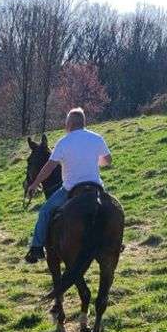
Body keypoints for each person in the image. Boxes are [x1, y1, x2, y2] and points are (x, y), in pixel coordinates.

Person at [24, 107, 112, 263]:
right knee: (110, 210)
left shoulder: (63, 142)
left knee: (45, 211)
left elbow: (49, 167)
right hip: (96, 188)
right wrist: (92, 161)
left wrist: (34, 184)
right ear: (83, 122)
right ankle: (114, 242)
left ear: (69, 123)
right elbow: (107, 160)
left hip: (70, 189)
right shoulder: (97, 138)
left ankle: (36, 248)